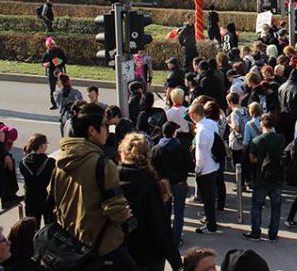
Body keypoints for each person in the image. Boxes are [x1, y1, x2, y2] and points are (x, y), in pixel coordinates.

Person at [53, 103, 138, 269]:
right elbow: (116, 209)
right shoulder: (103, 165)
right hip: (103, 244)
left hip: (71, 242)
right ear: (92, 130)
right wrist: (127, 216)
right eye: (105, 126)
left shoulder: (60, 162)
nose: (108, 130)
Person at [117, 132, 182, 271]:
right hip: (147, 255)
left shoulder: (111, 179)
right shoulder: (149, 183)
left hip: (118, 251)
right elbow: (160, 227)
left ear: (122, 152)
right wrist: (176, 262)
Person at [151, 122, 192, 248]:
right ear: (174, 133)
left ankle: (165, 237)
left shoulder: (156, 149)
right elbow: (189, 166)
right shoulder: (181, 148)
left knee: (164, 213)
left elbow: (152, 168)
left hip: (163, 185)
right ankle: (176, 239)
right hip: (179, 184)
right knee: (179, 213)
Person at [245, 113, 285, 242]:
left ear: (262, 124)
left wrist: (260, 160)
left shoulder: (257, 140)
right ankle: (273, 234)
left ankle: (256, 232)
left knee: (257, 206)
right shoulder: (280, 139)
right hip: (277, 176)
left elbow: (252, 159)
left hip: (261, 177)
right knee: (276, 207)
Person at [189, 102, 220, 235]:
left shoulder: (201, 132)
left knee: (207, 199)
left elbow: (200, 155)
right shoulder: (211, 124)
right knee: (211, 197)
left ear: (195, 115)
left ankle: (210, 225)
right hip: (214, 165)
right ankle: (210, 220)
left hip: (205, 168)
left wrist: (197, 170)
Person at [18, 134, 55, 228]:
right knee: (49, 228)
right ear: (41, 146)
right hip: (46, 199)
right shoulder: (50, 162)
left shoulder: (23, 163)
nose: (47, 146)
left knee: (32, 228)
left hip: (30, 199)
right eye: (46, 143)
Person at [41, 37, 66, 110]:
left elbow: (65, 60)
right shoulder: (46, 53)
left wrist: (58, 65)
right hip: (50, 72)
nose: (50, 46)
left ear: (54, 44)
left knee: (63, 88)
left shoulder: (59, 51)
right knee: (52, 89)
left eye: (51, 44)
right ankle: (54, 104)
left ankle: (63, 103)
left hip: (59, 72)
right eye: (48, 45)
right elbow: (42, 62)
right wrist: (45, 65)